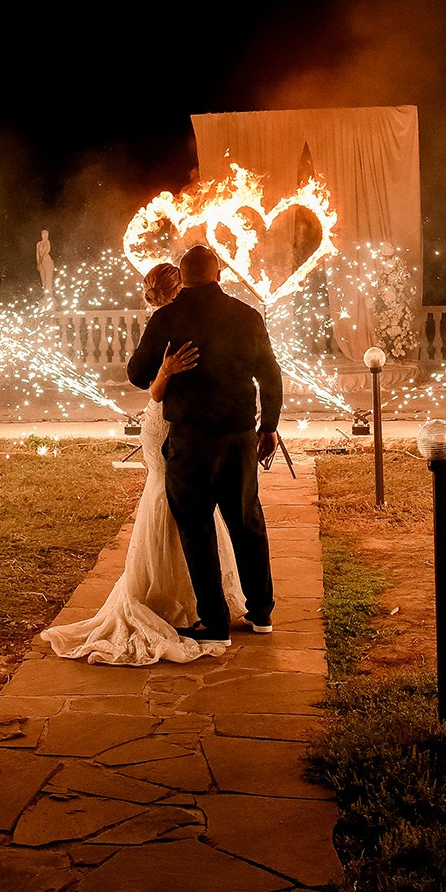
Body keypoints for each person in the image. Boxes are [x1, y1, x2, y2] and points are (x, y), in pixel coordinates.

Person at [40, 263, 247, 665]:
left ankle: (195, 596)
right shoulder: (171, 321)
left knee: (183, 503)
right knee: (169, 498)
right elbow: (148, 383)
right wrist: (166, 371)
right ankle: (167, 594)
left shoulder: (173, 319)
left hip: (177, 423)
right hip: (166, 421)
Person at [126, 243, 282, 646]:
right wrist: (269, 427)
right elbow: (270, 374)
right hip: (238, 436)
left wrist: (164, 369)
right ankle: (261, 612)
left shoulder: (167, 317)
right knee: (247, 521)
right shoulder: (246, 315)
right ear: (219, 274)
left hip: (191, 440)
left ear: (183, 278)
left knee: (196, 529)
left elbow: (137, 374)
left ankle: (215, 623)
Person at [36, 229, 55, 294]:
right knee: (43, 277)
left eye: (47, 234)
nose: (45, 236)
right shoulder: (38, 244)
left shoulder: (47, 242)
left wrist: (41, 259)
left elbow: (47, 250)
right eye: (44, 234)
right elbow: (37, 254)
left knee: (48, 277)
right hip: (41, 262)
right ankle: (45, 292)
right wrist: (38, 263)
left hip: (47, 260)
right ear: (42, 235)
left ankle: (49, 292)